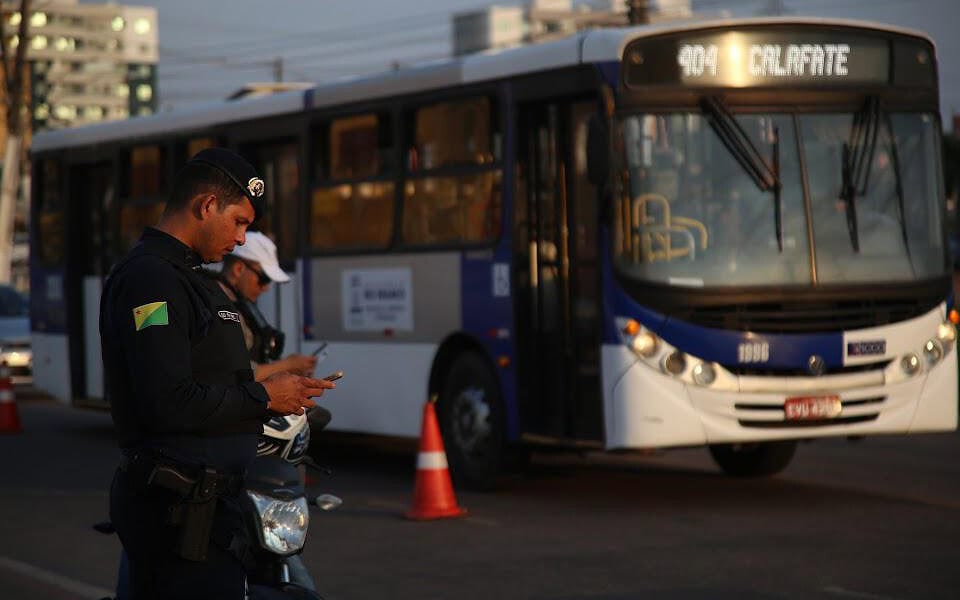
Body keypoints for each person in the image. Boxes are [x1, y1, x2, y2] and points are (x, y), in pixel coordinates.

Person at [100, 147, 335, 600]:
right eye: (239, 222)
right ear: (207, 205)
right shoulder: (152, 280)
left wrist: (277, 398)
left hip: (210, 512)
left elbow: (213, 382)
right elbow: (168, 399)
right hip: (178, 514)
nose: (242, 239)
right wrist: (265, 397)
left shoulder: (189, 279)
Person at [213, 231, 316, 381]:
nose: (266, 288)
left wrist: (290, 369)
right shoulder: (218, 308)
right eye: (264, 279)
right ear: (238, 269)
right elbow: (234, 373)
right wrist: (287, 365)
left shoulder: (243, 304)